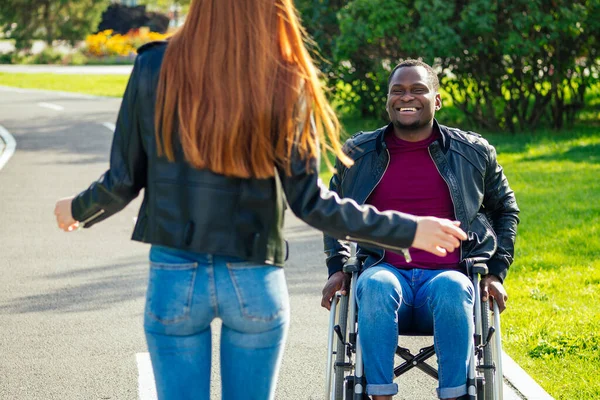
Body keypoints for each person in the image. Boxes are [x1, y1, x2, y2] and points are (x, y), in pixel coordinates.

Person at [53, 4, 468, 400]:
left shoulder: (153, 65)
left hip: (175, 274)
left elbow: (123, 180)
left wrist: (78, 209)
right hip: (253, 278)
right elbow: (312, 204)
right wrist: (410, 230)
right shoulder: (286, 76)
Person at [321, 59, 520, 400]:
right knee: (378, 285)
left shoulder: (473, 152)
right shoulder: (357, 153)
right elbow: (333, 212)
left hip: (449, 273)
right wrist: (338, 267)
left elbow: (505, 210)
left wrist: (496, 273)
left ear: (437, 100)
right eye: (397, 91)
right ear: (387, 100)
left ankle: (456, 394)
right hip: (384, 269)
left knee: (452, 288)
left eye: (417, 89)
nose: (406, 97)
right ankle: (378, 395)